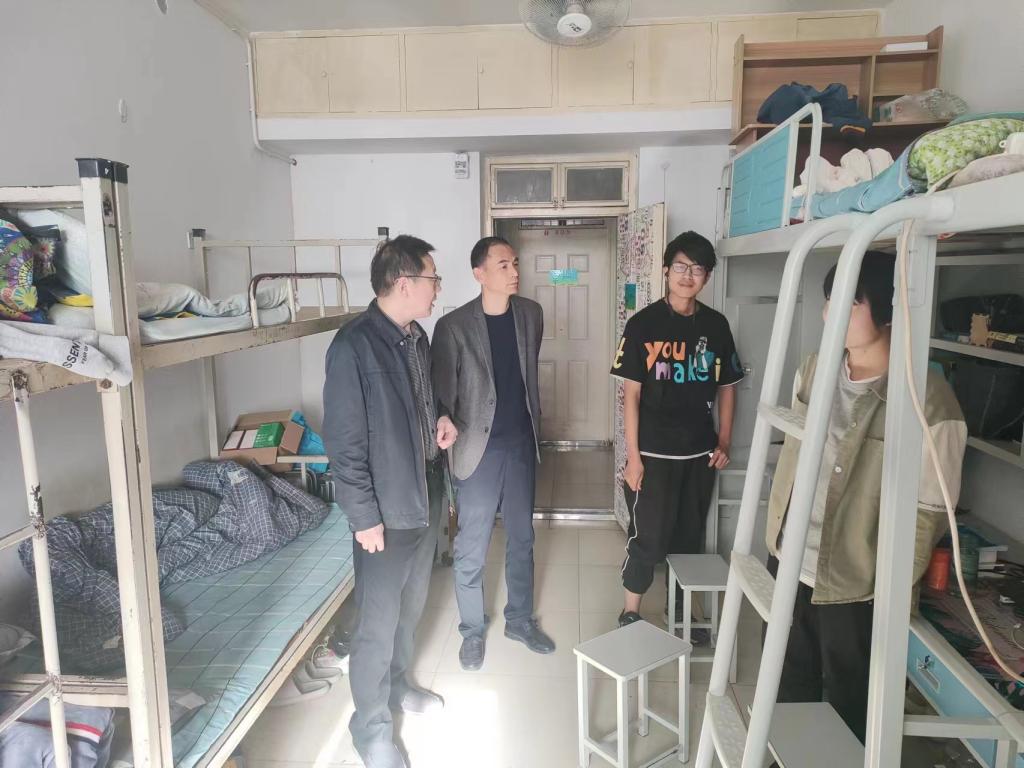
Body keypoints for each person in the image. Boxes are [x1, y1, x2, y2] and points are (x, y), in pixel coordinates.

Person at [766, 251, 967, 742]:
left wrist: (887, 587)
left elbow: (928, 515)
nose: (829, 314)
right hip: (790, 558)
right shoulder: (813, 371)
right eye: (828, 300)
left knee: (848, 701)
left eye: (847, 302)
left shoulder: (929, 401)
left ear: (887, 310)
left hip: (857, 583)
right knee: (788, 684)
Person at [323, 236, 458, 768]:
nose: (437, 289)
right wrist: (363, 517)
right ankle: (372, 730)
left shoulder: (415, 338)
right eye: (432, 279)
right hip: (385, 511)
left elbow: (424, 404)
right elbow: (344, 443)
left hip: (425, 495)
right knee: (376, 625)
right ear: (405, 283)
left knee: (410, 608)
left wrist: (442, 420)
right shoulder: (353, 347)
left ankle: (398, 687)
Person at [431, 236, 553, 672]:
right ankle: (471, 630)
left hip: (520, 444)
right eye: (504, 265)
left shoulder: (531, 315)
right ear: (479, 273)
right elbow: (442, 391)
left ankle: (519, 620)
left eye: (515, 263)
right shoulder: (453, 327)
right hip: (476, 451)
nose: (514, 272)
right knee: (472, 544)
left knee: (523, 537)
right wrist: (443, 418)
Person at [611, 231, 743, 627]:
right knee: (647, 537)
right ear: (666, 270)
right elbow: (631, 395)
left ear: (707, 277)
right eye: (681, 266)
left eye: (697, 269)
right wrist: (633, 458)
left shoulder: (716, 326)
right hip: (652, 453)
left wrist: (724, 440)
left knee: (688, 539)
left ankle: (681, 611)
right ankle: (630, 611)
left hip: (699, 453)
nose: (688, 275)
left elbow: (728, 387)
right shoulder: (643, 325)